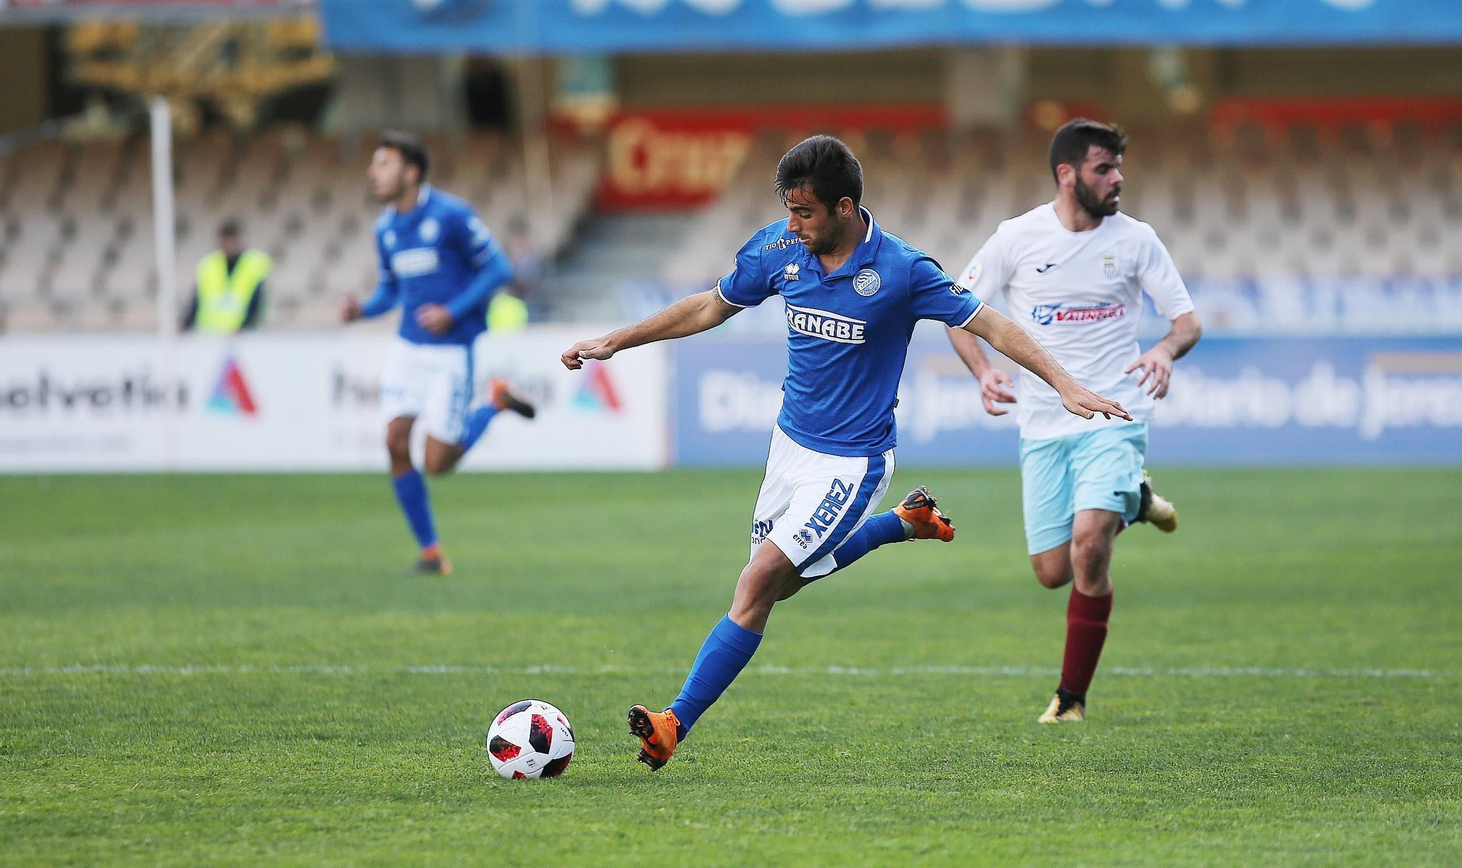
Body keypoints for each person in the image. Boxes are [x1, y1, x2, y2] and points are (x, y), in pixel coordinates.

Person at [561, 134, 1131, 772]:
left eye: (804, 212)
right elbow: (708, 306)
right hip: (788, 450)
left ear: (845, 206)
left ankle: (674, 723)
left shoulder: (902, 270)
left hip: (852, 462)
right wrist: (617, 340)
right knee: (783, 586)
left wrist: (1065, 384)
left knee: (755, 585)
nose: (792, 223)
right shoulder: (780, 250)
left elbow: (990, 322)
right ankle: (902, 525)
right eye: (787, 209)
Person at [946, 118, 1202, 724]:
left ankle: (1070, 698)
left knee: (1090, 549)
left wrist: (1164, 351)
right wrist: (983, 371)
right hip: (1041, 425)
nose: (1117, 179)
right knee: (1052, 571)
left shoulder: (1137, 240)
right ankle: (1135, 500)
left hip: (1115, 413)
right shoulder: (1016, 238)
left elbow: (1186, 321)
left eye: (1118, 167)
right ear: (1067, 175)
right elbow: (958, 313)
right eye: (1103, 168)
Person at [339, 132, 538, 575]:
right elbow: (392, 288)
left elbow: (499, 268)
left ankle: (496, 402)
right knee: (394, 440)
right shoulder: (385, 228)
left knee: (437, 463)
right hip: (409, 346)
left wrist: (454, 310)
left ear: (411, 173)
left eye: (384, 164)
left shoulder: (450, 215)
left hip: (451, 350)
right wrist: (363, 310)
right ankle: (431, 552)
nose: (374, 172)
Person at [183, 220, 271, 333]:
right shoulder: (208, 265)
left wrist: (246, 326)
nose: (229, 245)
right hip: (210, 335)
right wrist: (185, 324)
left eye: (232, 241)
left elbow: (257, 303)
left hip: (242, 336)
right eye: (225, 241)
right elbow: (196, 302)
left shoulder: (254, 264)